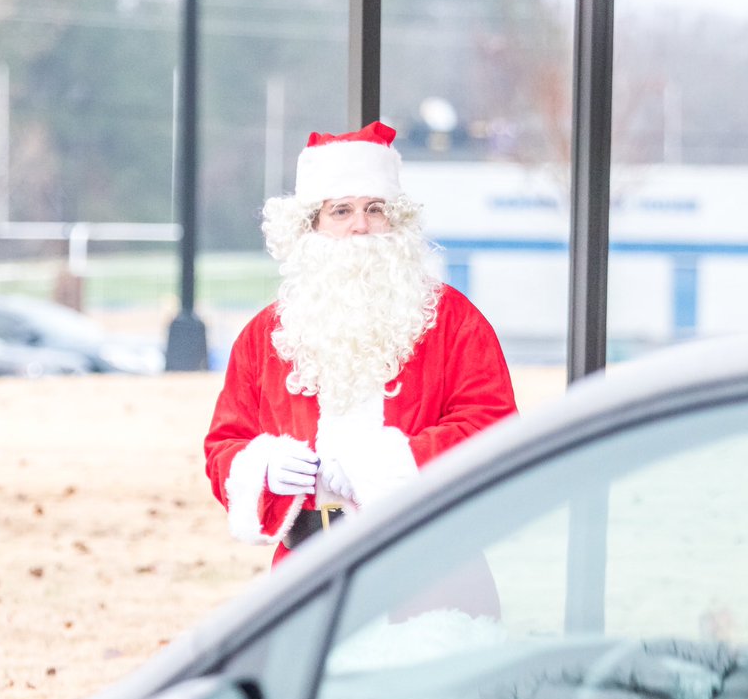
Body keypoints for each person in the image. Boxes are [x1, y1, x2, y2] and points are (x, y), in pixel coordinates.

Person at [204, 120, 517, 573]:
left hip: (429, 562)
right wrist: (264, 468)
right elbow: (225, 442)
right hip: (305, 569)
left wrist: (393, 465)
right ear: (310, 227)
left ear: (396, 219)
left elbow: (493, 426)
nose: (361, 228)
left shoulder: (452, 320)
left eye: (375, 209)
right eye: (341, 211)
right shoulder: (266, 335)